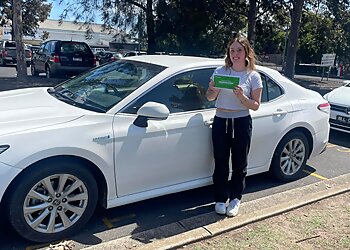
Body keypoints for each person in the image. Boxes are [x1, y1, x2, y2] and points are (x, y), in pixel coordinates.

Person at [206, 34, 263, 217]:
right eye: (232, 50)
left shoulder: (253, 76)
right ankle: (220, 198)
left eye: (239, 50)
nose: (235, 54)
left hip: (241, 121)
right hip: (221, 120)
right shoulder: (220, 71)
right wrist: (212, 90)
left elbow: (255, 105)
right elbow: (209, 97)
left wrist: (242, 98)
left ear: (246, 52)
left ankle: (236, 198)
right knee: (220, 161)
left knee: (240, 162)